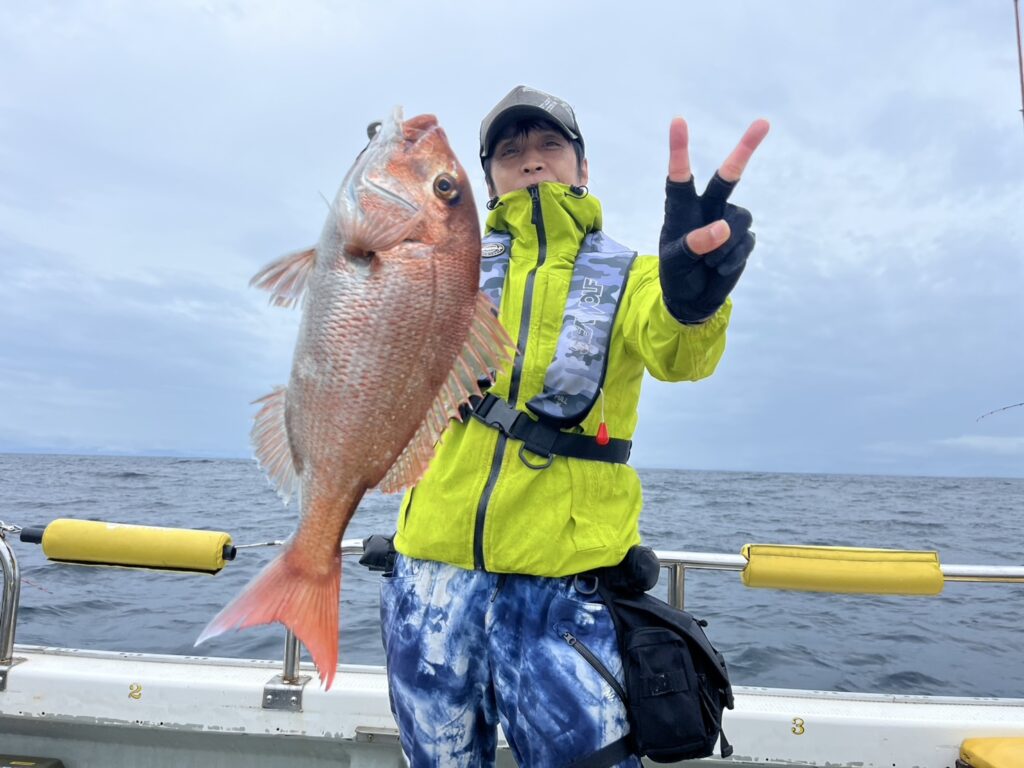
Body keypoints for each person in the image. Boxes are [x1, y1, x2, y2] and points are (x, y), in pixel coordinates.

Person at [379, 85, 769, 768]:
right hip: (430, 573)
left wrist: (695, 302)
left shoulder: (635, 275)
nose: (531, 159)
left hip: (566, 590)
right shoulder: (447, 269)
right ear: (488, 179)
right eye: (510, 151)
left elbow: (680, 357)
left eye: (549, 144)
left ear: (582, 166)